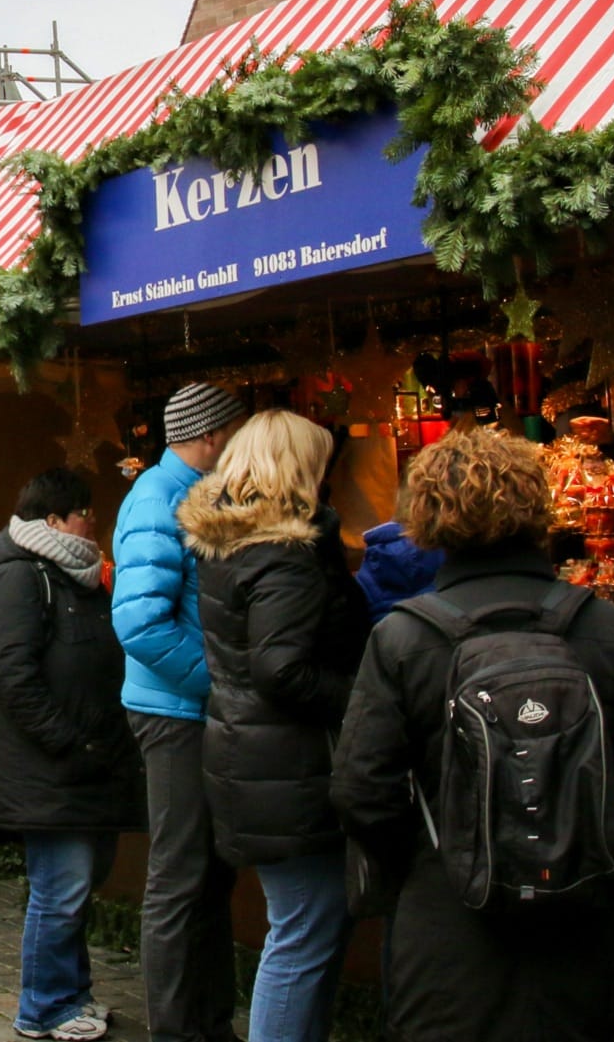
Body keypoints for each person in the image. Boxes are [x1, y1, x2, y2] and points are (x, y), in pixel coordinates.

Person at [330, 427, 614, 1042]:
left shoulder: (404, 639)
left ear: (426, 517)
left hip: (447, 935)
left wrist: (426, 869)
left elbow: (363, 789)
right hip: (588, 929)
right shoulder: (607, 631)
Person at [179, 411, 368, 1042]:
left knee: (301, 929)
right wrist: (362, 700)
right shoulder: (281, 555)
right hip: (287, 769)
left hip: (253, 759)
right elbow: (282, 670)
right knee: (304, 933)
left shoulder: (233, 543)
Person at [0, 467, 138, 1042]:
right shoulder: (22, 578)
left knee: (77, 885)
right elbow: (11, 676)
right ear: (53, 521)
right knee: (60, 889)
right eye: (83, 513)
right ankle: (43, 1007)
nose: (93, 521)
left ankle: (72, 996)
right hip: (50, 766)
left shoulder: (80, 575)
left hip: (90, 762)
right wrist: (67, 741)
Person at [111, 381, 247, 1042]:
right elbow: (138, 623)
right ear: (212, 435)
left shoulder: (190, 492)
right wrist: (217, 684)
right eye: (236, 429)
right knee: (179, 874)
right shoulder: (158, 498)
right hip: (175, 710)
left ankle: (208, 1021)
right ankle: (175, 1029)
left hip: (190, 704)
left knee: (208, 873)